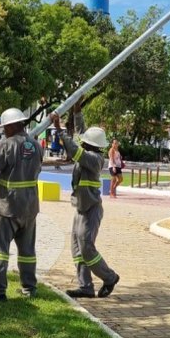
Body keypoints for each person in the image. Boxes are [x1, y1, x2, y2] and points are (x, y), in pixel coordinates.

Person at [50, 112, 120, 299]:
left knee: (87, 248)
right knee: (77, 248)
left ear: (91, 145)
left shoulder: (94, 158)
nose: (81, 142)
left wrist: (58, 128)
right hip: (81, 208)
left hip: (91, 210)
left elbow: (74, 149)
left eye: (85, 141)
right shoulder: (89, 152)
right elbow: (81, 132)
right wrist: (78, 109)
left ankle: (109, 277)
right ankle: (86, 287)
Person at [0, 107, 43, 300]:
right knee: (27, 250)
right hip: (30, 206)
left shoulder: (6, 145)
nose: (4, 131)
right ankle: (29, 288)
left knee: (0, 250)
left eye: (5, 127)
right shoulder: (36, 145)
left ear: (12, 126)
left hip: (8, 205)